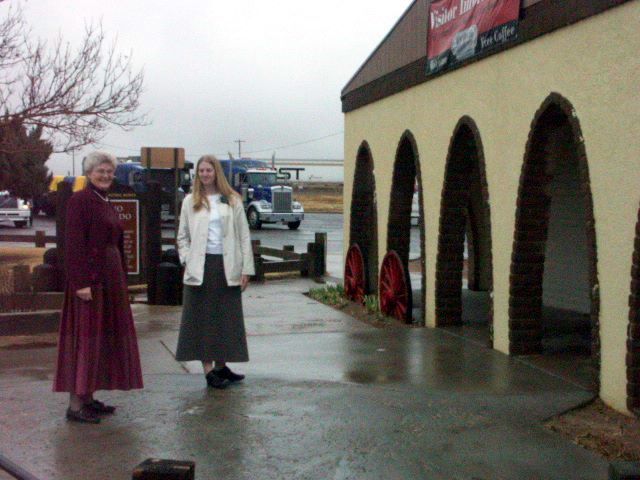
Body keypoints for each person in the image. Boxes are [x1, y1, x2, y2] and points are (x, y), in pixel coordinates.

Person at [53, 151, 143, 423]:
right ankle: (75, 404)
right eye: (100, 171)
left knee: (100, 339)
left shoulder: (105, 200)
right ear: (89, 173)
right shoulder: (80, 200)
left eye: (109, 171)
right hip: (90, 279)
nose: (105, 175)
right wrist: (81, 282)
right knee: (86, 339)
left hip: (109, 280)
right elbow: (73, 244)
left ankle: (88, 397)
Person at [176, 155, 255, 389]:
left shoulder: (232, 200)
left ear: (216, 172)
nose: (204, 174)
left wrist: (246, 269)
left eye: (208, 170)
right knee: (202, 319)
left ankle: (221, 366)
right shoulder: (190, 201)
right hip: (200, 267)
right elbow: (182, 236)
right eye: (201, 170)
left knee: (225, 318)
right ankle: (208, 370)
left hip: (227, 265)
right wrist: (187, 258)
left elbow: (243, 235)